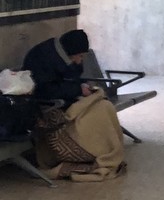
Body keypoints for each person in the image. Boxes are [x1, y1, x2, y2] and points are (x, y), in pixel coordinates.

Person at [22, 29, 126, 182]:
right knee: (100, 112)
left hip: (66, 101)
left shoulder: (66, 55)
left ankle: (108, 152)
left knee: (105, 106)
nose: (80, 61)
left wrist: (81, 85)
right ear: (71, 52)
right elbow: (45, 91)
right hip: (49, 108)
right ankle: (99, 152)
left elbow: (72, 78)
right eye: (80, 56)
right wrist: (78, 89)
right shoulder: (41, 58)